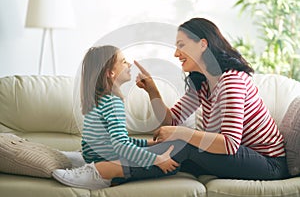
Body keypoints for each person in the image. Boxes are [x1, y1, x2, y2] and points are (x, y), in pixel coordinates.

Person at [53, 17, 290, 190]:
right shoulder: (203, 85)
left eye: (181, 45)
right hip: (233, 157)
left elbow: (229, 144)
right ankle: (102, 161)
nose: (176, 54)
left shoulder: (232, 81)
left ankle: (104, 170)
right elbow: (170, 121)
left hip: (266, 163)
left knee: (182, 142)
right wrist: (153, 91)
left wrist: (182, 133)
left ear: (203, 44)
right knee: (175, 148)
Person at [52, 45, 189, 190]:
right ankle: (99, 173)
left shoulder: (100, 99)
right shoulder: (113, 102)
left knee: (163, 149)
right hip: (107, 160)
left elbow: (115, 140)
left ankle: (82, 162)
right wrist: (155, 160)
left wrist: (149, 144)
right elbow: (121, 145)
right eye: (123, 62)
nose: (129, 64)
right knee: (171, 163)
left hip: (93, 156)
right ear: (110, 73)